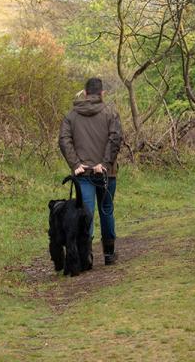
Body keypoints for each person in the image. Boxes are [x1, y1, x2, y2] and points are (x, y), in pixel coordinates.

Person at [59, 78, 123, 265]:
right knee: (106, 210)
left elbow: (64, 139)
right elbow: (116, 138)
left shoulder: (71, 115)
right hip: (106, 173)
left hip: (82, 174)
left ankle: (86, 256)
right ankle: (109, 254)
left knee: (86, 213)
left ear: (85, 93)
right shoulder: (111, 113)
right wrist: (104, 163)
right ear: (102, 93)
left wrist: (75, 164)